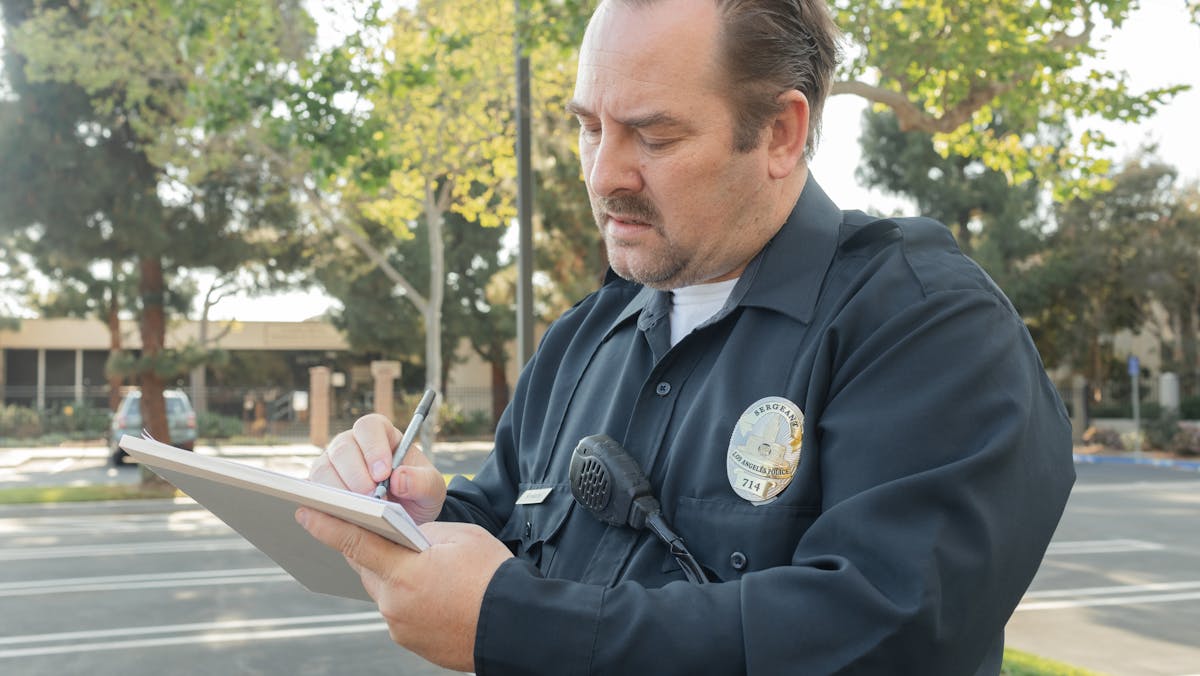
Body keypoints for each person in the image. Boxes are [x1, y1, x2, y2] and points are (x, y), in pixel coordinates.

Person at [296, 0, 1076, 673]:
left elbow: (881, 634)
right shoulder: (583, 339)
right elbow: (506, 531)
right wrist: (404, 512)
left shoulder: (925, 324)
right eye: (588, 127)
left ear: (779, 131)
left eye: (653, 137)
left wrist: (517, 623)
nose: (604, 174)